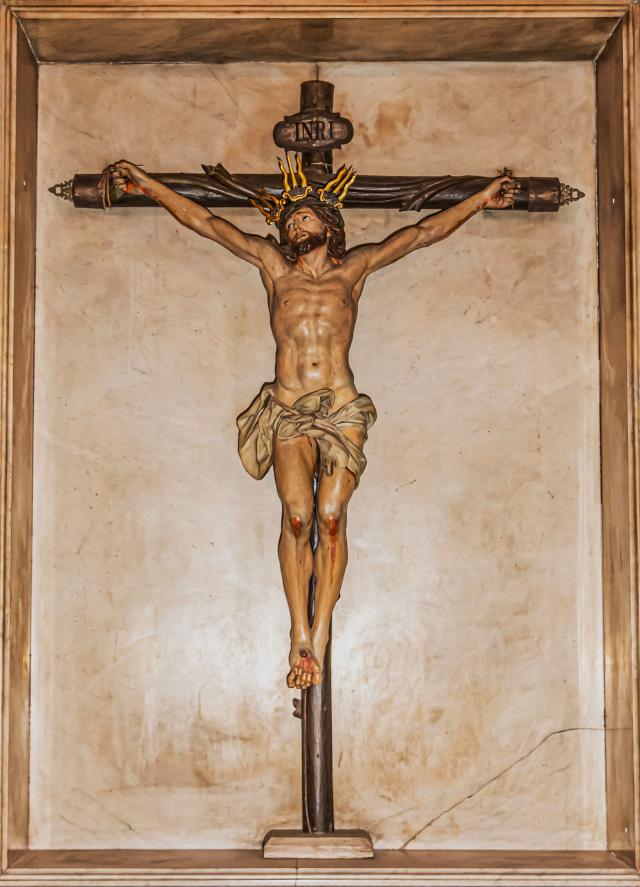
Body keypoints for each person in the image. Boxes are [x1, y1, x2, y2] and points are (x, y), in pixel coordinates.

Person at [109, 155, 519, 691]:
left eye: (302, 218)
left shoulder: (355, 269)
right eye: (288, 223)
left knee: (330, 517)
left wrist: (482, 198)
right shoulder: (273, 267)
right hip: (287, 408)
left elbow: (422, 233)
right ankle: (297, 631)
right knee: (299, 518)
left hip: (341, 408)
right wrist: (149, 186)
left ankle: (319, 629)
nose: (292, 228)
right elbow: (207, 222)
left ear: (329, 224)